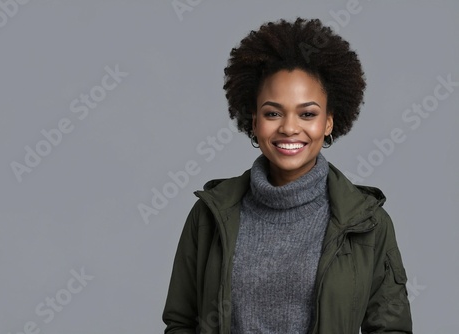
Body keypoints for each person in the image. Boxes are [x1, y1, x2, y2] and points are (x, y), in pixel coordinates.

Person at [162, 18, 412, 334]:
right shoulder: (210, 215)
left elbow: (391, 328)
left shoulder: (369, 223)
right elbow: (181, 322)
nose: (289, 128)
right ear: (254, 122)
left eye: (307, 113)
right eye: (273, 113)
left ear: (329, 122)